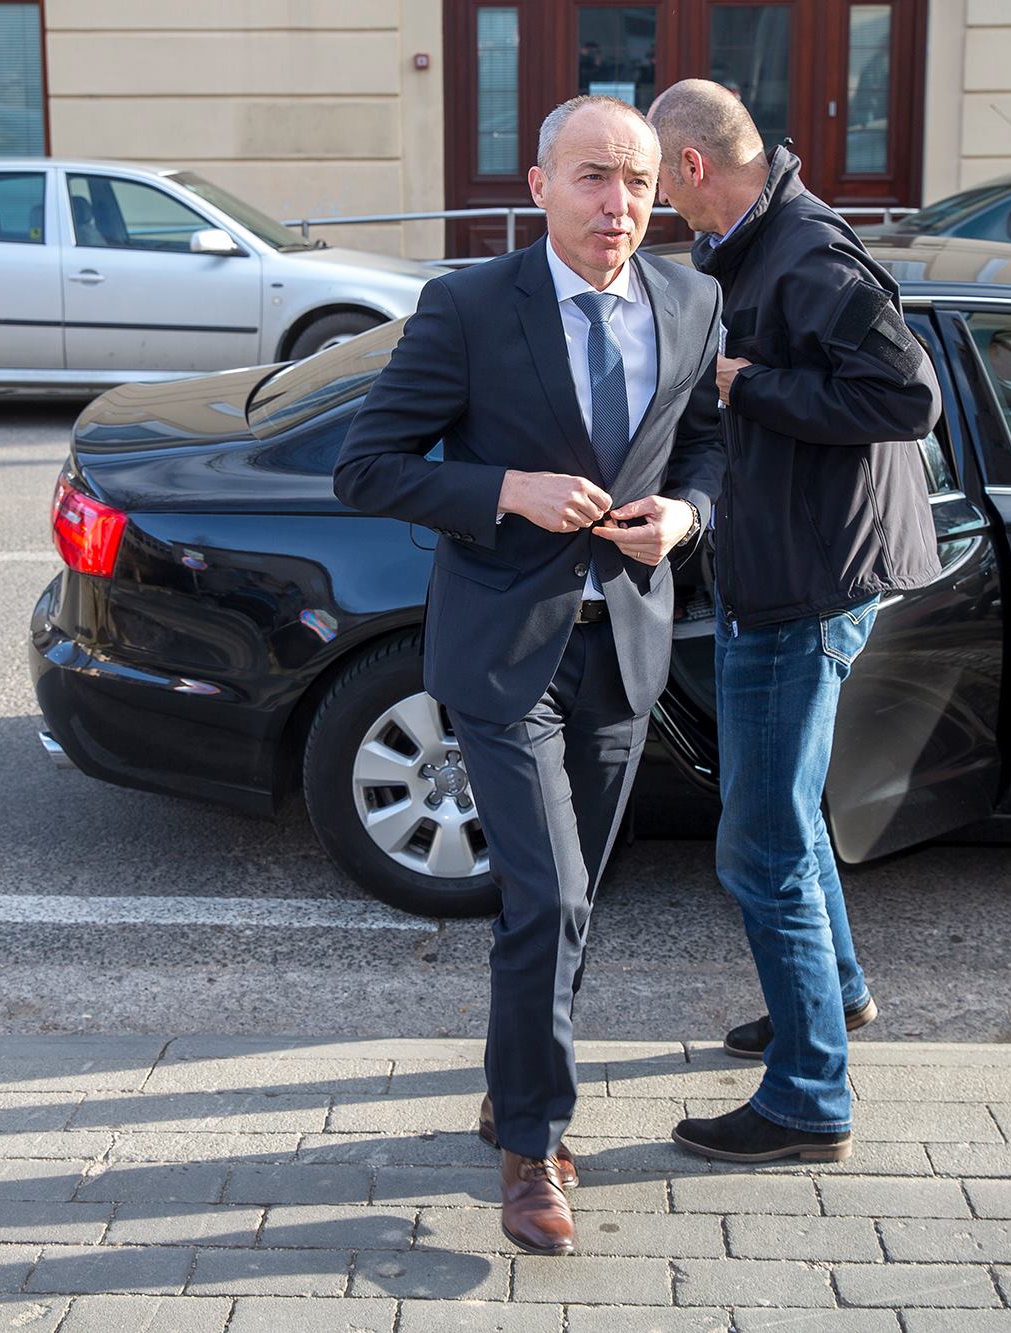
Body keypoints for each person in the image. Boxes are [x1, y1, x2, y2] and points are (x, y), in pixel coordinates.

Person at [332, 95, 722, 1255]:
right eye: (593, 176)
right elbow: (367, 467)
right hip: (503, 653)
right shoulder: (467, 307)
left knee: (569, 900)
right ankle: (532, 1147)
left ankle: (511, 1084)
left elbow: (708, 445)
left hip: (623, 648)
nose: (617, 203)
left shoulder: (691, 300)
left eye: (637, 182)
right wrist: (504, 488)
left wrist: (687, 517)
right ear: (539, 184)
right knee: (545, 896)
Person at [646, 79, 941, 1164]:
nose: (658, 206)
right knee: (786, 811)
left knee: (761, 842)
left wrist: (753, 386)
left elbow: (907, 398)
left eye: (656, 180)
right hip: (786, 568)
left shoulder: (806, 255)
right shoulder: (750, 243)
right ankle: (834, 994)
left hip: (802, 587)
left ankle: (810, 1096)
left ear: (692, 166)